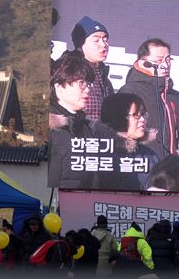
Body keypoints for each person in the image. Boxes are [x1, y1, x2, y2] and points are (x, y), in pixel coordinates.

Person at [118, 39, 179, 160]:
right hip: (140, 164)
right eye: (159, 60)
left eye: (168, 60)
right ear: (143, 63)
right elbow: (120, 133)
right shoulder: (130, 92)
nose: (165, 65)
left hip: (172, 168)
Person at [49, 52, 112, 189]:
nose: (87, 90)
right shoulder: (48, 129)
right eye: (81, 83)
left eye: (89, 84)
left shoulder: (85, 128)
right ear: (59, 86)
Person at [96, 92, 160, 190]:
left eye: (143, 114)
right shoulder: (99, 155)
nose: (142, 119)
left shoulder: (150, 156)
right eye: (136, 115)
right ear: (118, 118)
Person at [68, 16, 114, 124]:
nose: (103, 45)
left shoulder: (104, 78)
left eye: (105, 40)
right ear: (81, 44)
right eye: (96, 40)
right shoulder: (69, 73)